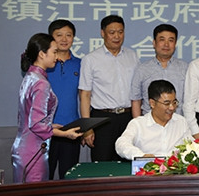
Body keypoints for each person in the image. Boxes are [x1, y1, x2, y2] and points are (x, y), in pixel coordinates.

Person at [12, 33, 82, 183]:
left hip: (24, 147)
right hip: (34, 150)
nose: (57, 57)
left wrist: (50, 125)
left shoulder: (31, 76)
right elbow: (36, 124)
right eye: (54, 52)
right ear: (42, 54)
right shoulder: (41, 83)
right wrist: (64, 134)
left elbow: (29, 117)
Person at [79, 15, 140, 161]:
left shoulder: (132, 56)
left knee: (127, 161)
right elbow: (85, 95)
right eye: (112, 32)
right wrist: (87, 127)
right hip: (102, 119)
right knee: (102, 162)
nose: (117, 36)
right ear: (103, 33)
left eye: (120, 32)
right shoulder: (91, 59)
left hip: (127, 118)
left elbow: (137, 91)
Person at [116, 80, 193, 159]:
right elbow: (121, 144)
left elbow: (192, 146)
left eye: (174, 102)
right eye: (167, 103)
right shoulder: (138, 124)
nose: (172, 107)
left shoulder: (181, 122)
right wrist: (141, 156)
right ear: (152, 103)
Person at [46, 19, 82, 179]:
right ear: (51, 38)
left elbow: (85, 96)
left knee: (69, 177)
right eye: (59, 35)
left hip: (71, 129)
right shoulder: (45, 65)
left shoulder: (80, 64)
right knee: (44, 176)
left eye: (69, 35)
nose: (64, 39)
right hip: (47, 130)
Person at [131, 24, 188, 117]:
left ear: (175, 44)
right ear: (154, 43)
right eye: (162, 40)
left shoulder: (185, 68)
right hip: (149, 123)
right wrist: (138, 123)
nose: (166, 44)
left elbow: (189, 101)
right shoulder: (142, 69)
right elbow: (136, 100)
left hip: (177, 122)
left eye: (171, 40)